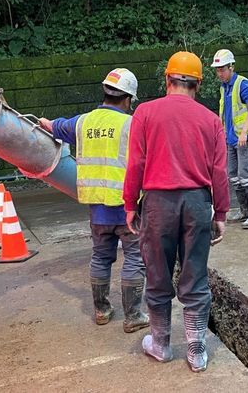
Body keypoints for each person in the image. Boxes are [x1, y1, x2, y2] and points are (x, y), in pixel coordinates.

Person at [123, 51, 229, 372]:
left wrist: (130, 205)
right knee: (195, 275)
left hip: (157, 204)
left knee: (157, 274)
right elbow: (219, 172)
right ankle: (197, 351)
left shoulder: (145, 112)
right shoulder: (211, 120)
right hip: (197, 204)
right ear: (198, 83)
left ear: (168, 79)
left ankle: (161, 344)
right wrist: (221, 213)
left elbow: (136, 164)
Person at [39, 68, 149, 333]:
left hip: (96, 209)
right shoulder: (132, 124)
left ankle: (101, 310)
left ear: (105, 93)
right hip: (128, 209)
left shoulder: (82, 122)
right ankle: (132, 315)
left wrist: (42, 122)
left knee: (100, 257)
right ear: (128, 99)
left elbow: (52, 126)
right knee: (134, 258)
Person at [210, 49, 248, 229]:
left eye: (222, 69)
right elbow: (226, 113)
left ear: (231, 67)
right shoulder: (223, 87)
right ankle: (244, 210)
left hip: (245, 137)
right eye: (217, 70)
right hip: (231, 137)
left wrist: (244, 133)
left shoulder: (243, 85)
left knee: (245, 176)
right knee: (232, 175)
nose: (220, 73)